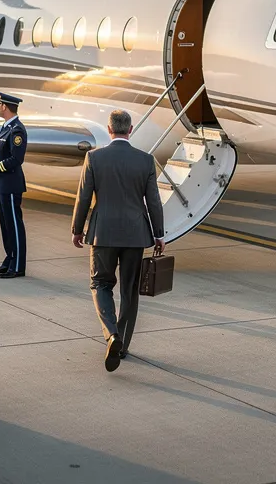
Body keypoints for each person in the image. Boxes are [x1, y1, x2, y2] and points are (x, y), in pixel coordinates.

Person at [70, 109, 165, 372]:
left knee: (100, 284)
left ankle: (111, 334)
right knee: (129, 291)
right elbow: (153, 202)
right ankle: (122, 346)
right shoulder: (145, 160)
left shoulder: (94, 157)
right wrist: (159, 234)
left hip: (103, 233)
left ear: (109, 129)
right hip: (136, 235)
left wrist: (78, 229)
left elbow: (84, 197)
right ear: (130, 129)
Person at [0, 92, 28, 279]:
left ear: (4, 106)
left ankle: (17, 266)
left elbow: (16, 159)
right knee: (5, 225)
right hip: (1, 184)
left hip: (10, 184)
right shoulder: (6, 127)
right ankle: (9, 259)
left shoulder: (17, 130)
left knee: (14, 225)